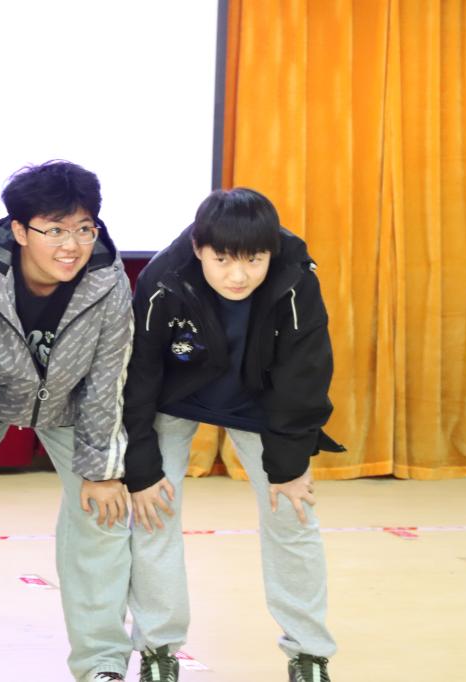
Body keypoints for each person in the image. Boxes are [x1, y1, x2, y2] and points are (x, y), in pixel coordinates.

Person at [0, 161, 135, 682]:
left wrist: (103, 470)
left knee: (103, 515)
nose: (71, 245)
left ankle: (102, 663)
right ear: (19, 230)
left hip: (70, 405)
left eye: (84, 229)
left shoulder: (108, 281)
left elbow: (109, 379)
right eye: (54, 230)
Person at [121, 188, 344, 682]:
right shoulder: (162, 278)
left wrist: (289, 467)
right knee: (153, 510)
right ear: (199, 248)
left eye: (253, 261)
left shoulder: (296, 279)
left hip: (259, 399)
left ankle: (309, 653)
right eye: (222, 260)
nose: (238, 276)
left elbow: (304, 375)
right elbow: (139, 376)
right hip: (175, 395)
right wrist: (142, 469)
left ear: (271, 252)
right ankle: (158, 648)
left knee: (293, 513)